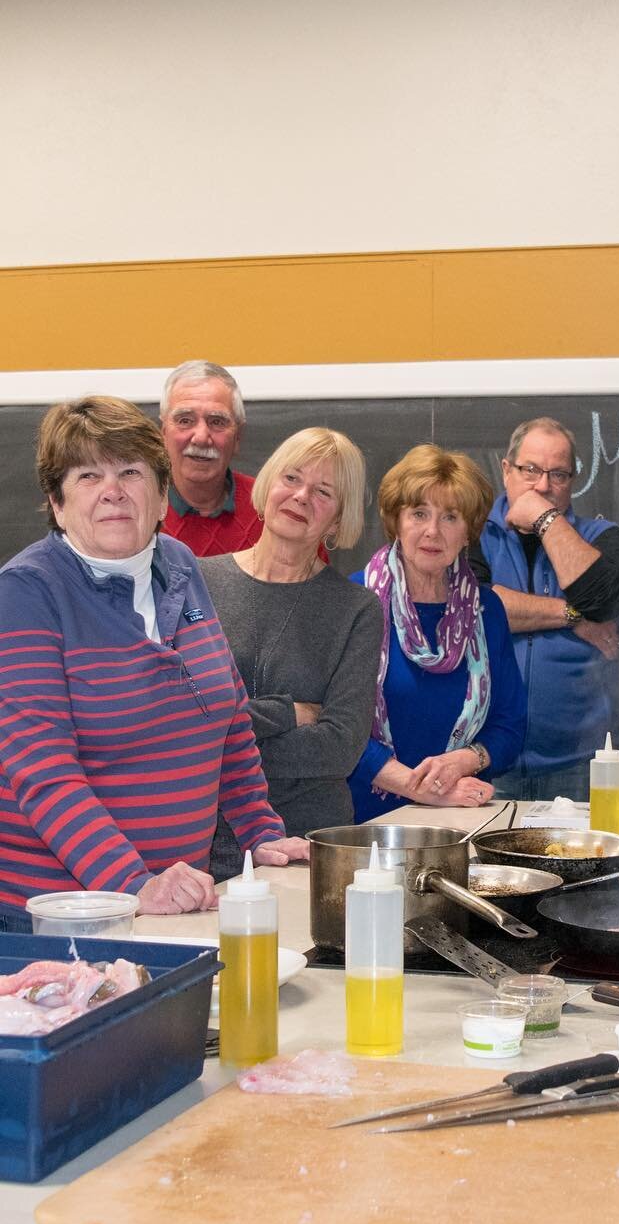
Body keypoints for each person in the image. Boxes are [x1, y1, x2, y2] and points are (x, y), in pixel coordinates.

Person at [0, 396, 309, 929]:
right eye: (87, 476)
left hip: (173, 907)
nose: (112, 490)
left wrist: (261, 831)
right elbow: (43, 773)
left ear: (163, 494)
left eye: (130, 472)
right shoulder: (27, 592)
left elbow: (230, 718)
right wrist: (133, 884)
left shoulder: (180, 565)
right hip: (64, 919)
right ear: (56, 502)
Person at [200, 429, 383, 878]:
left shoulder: (357, 609)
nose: (302, 497)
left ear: (339, 520)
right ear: (266, 487)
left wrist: (219, 743)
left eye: (324, 492)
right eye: (292, 478)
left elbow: (340, 748)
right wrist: (289, 713)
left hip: (306, 847)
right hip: (198, 844)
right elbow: (173, 721)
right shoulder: (195, 583)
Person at [351, 445, 527, 823]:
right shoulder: (353, 602)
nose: (432, 531)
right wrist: (423, 789)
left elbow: (510, 727)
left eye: (450, 517)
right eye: (418, 513)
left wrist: (465, 760)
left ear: (468, 532)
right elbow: (335, 729)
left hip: (461, 819)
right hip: (367, 825)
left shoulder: (487, 611)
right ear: (396, 521)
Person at [475, 417, 619, 802]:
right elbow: (478, 609)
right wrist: (572, 615)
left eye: (558, 475)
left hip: (578, 764)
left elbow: (604, 600)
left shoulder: (601, 538)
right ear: (506, 470)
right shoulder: (470, 532)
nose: (543, 485)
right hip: (485, 760)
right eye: (530, 470)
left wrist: (545, 519)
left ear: (573, 481)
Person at [159, 360, 262, 557]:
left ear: (238, 437)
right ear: (163, 434)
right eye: (185, 420)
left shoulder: (271, 509)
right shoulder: (133, 509)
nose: (201, 438)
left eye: (217, 422)